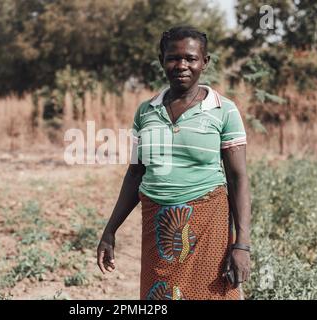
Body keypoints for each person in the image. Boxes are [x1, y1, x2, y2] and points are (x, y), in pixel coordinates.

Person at [97, 26, 251, 300]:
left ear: (205, 62)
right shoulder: (147, 111)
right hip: (158, 229)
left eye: (191, 58)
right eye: (173, 58)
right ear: (161, 60)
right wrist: (110, 230)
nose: (182, 65)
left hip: (209, 227)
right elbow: (135, 173)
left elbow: (238, 178)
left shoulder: (223, 109)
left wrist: (242, 245)